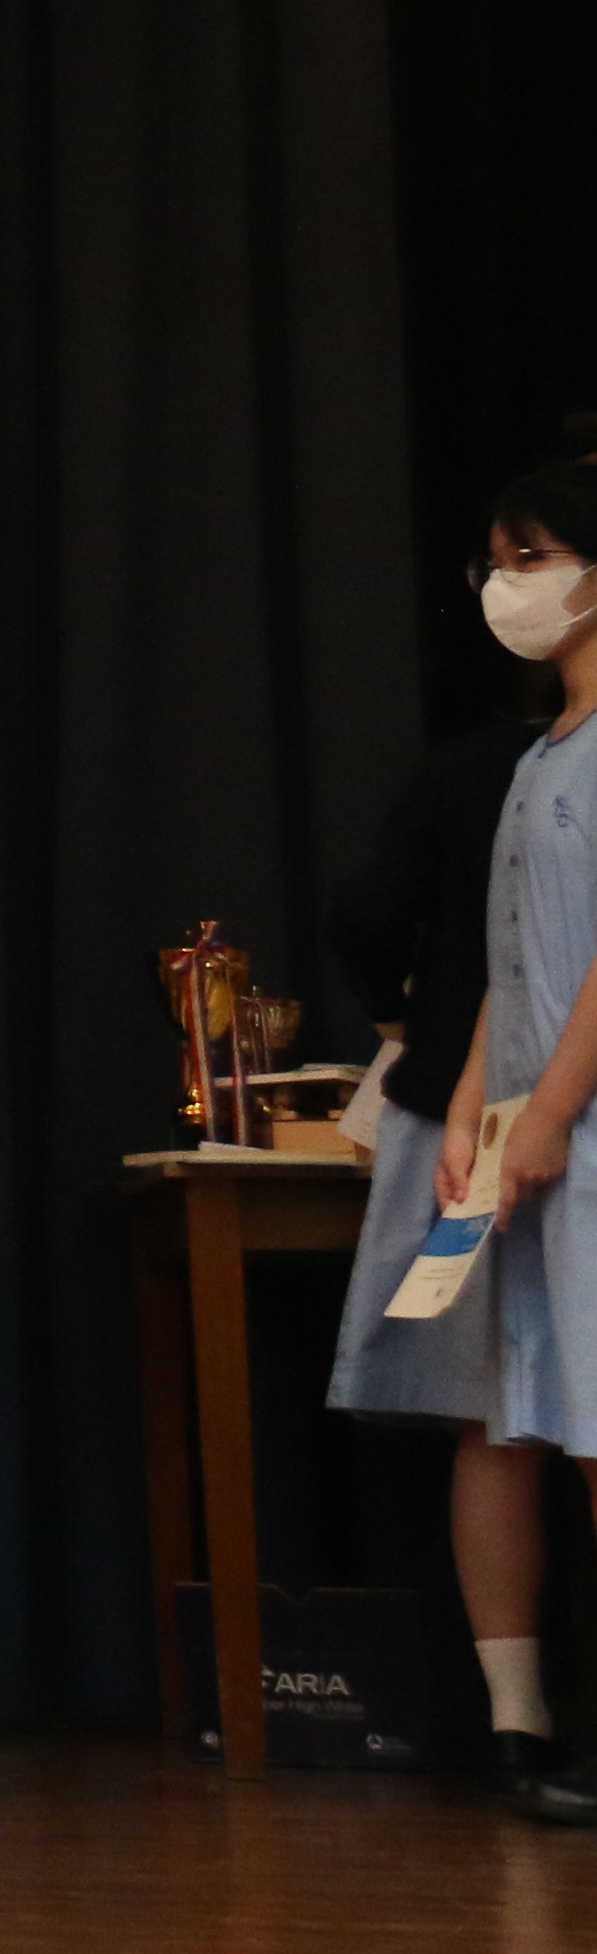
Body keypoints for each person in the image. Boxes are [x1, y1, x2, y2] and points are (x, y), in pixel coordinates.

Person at [329, 455, 597, 1824]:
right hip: (531, 1142)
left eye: (531, 557)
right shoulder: (539, 757)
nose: (507, 586)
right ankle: (527, 1720)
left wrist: (548, 1109)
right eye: (495, 562)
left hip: (582, 1133)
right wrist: (484, 1112)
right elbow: (508, 956)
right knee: (539, 1419)